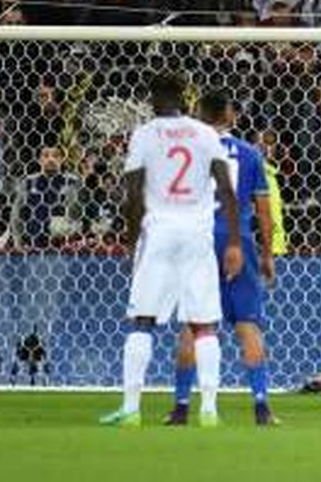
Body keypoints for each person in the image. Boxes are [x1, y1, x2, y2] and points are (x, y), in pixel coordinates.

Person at [99, 73, 242, 427]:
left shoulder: (145, 135)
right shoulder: (205, 134)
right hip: (197, 235)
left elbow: (133, 195)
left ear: (152, 99)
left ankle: (131, 409)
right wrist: (236, 241)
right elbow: (226, 189)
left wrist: (132, 244)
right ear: (185, 98)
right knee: (204, 324)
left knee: (142, 321)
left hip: (159, 234)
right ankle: (209, 409)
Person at [164, 91, 277, 426]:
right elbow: (264, 210)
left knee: (193, 324)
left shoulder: (187, 152)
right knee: (247, 324)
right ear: (230, 116)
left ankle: (182, 407)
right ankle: (261, 408)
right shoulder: (250, 154)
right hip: (237, 239)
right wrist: (267, 254)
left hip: (197, 239)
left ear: (199, 116)